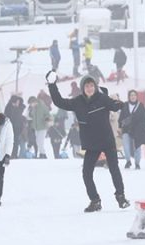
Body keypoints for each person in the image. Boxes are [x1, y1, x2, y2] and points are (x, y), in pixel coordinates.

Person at [47, 72, 130, 212]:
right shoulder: (77, 102)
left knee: (114, 169)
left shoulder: (102, 98)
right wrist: (52, 85)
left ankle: (121, 197)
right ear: (83, 88)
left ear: (95, 86)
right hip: (92, 144)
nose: (90, 88)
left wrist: (121, 104)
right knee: (86, 173)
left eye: (92, 85)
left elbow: (115, 106)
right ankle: (95, 200)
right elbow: (59, 102)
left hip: (107, 140)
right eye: (87, 86)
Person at [118, 90, 145, 170]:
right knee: (126, 146)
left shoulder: (140, 106)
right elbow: (121, 117)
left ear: (136, 96)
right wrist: (120, 126)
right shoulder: (125, 105)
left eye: (134, 95)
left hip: (137, 130)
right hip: (126, 129)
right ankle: (128, 161)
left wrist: (144, 128)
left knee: (137, 147)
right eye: (131, 95)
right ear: (129, 97)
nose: (133, 97)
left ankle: (137, 163)